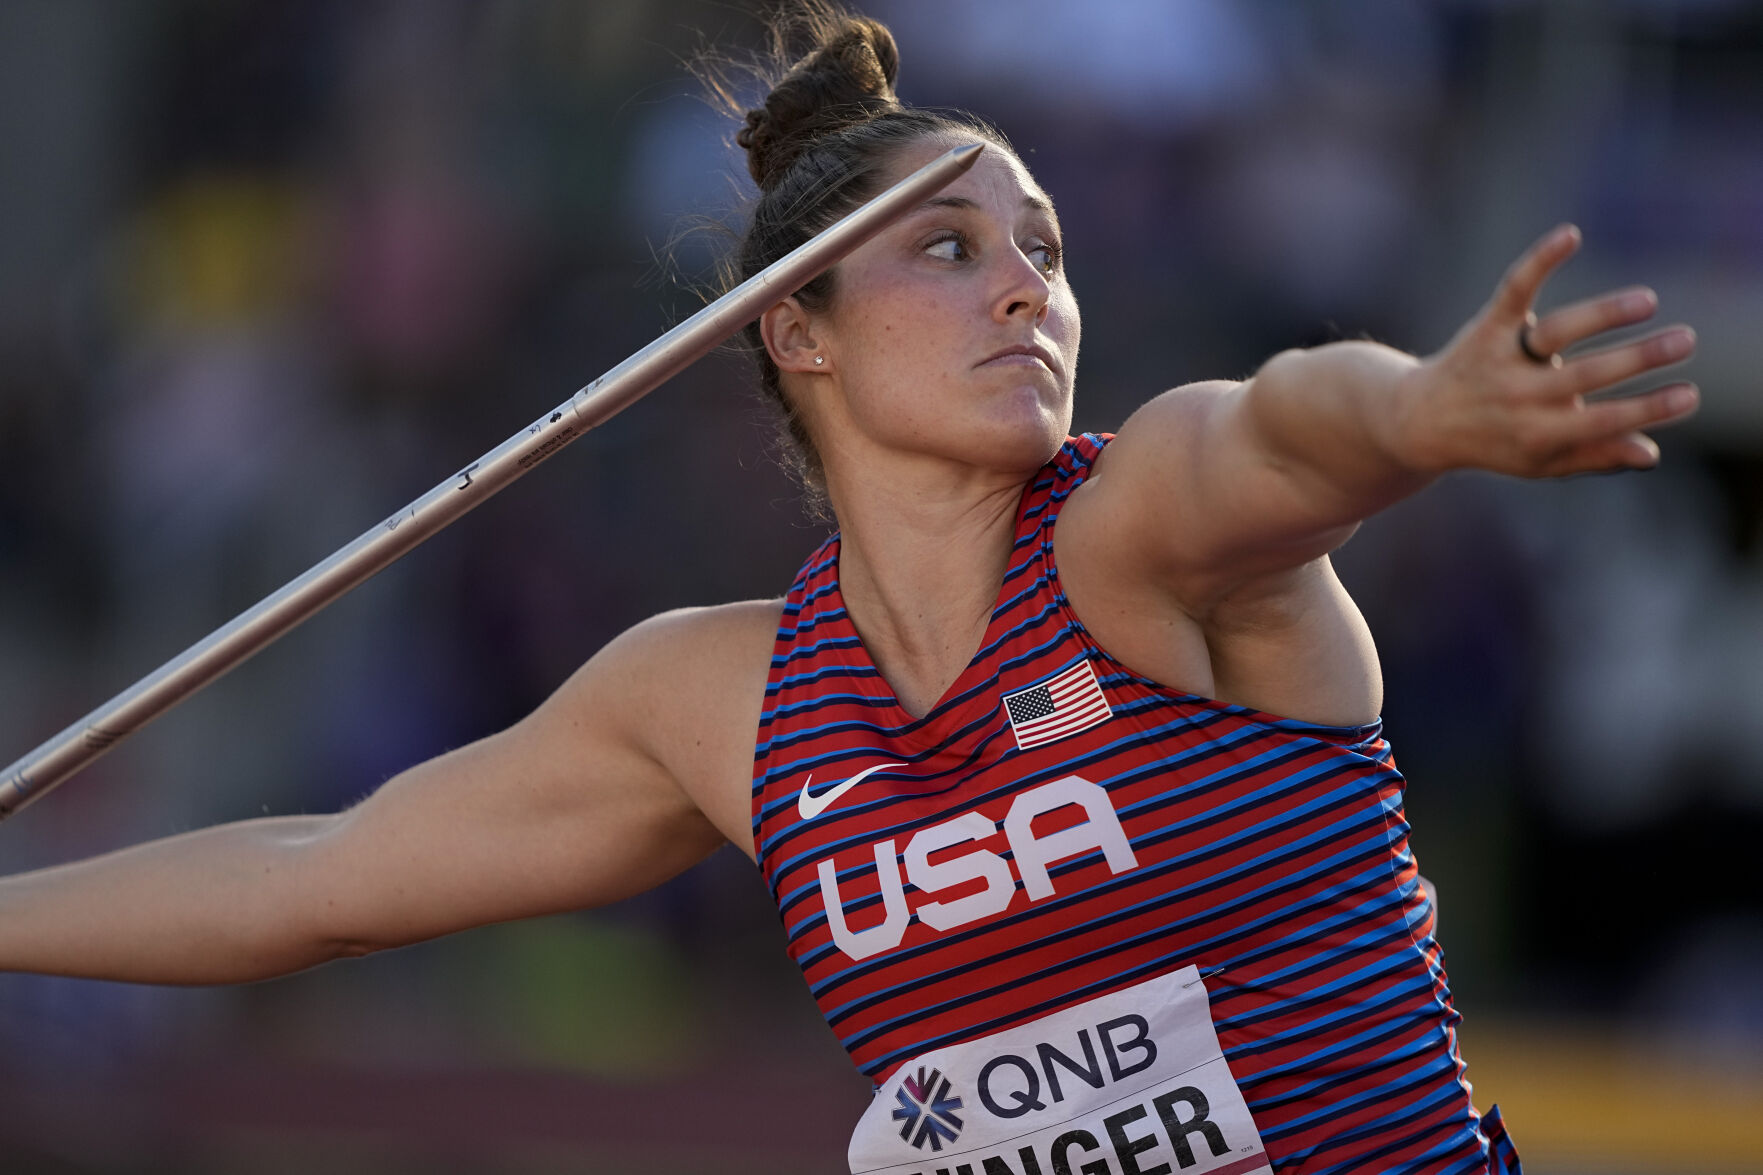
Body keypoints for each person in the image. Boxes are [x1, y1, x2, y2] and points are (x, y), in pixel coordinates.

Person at [0, 7, 1699, 1173]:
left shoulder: (1141, 533)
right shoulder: (714, 701)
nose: (1026, 288)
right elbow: (322, 878)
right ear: (795, 332)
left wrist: (1426, 410)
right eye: (947, 251)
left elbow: (1301, 424)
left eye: (1042, 245)